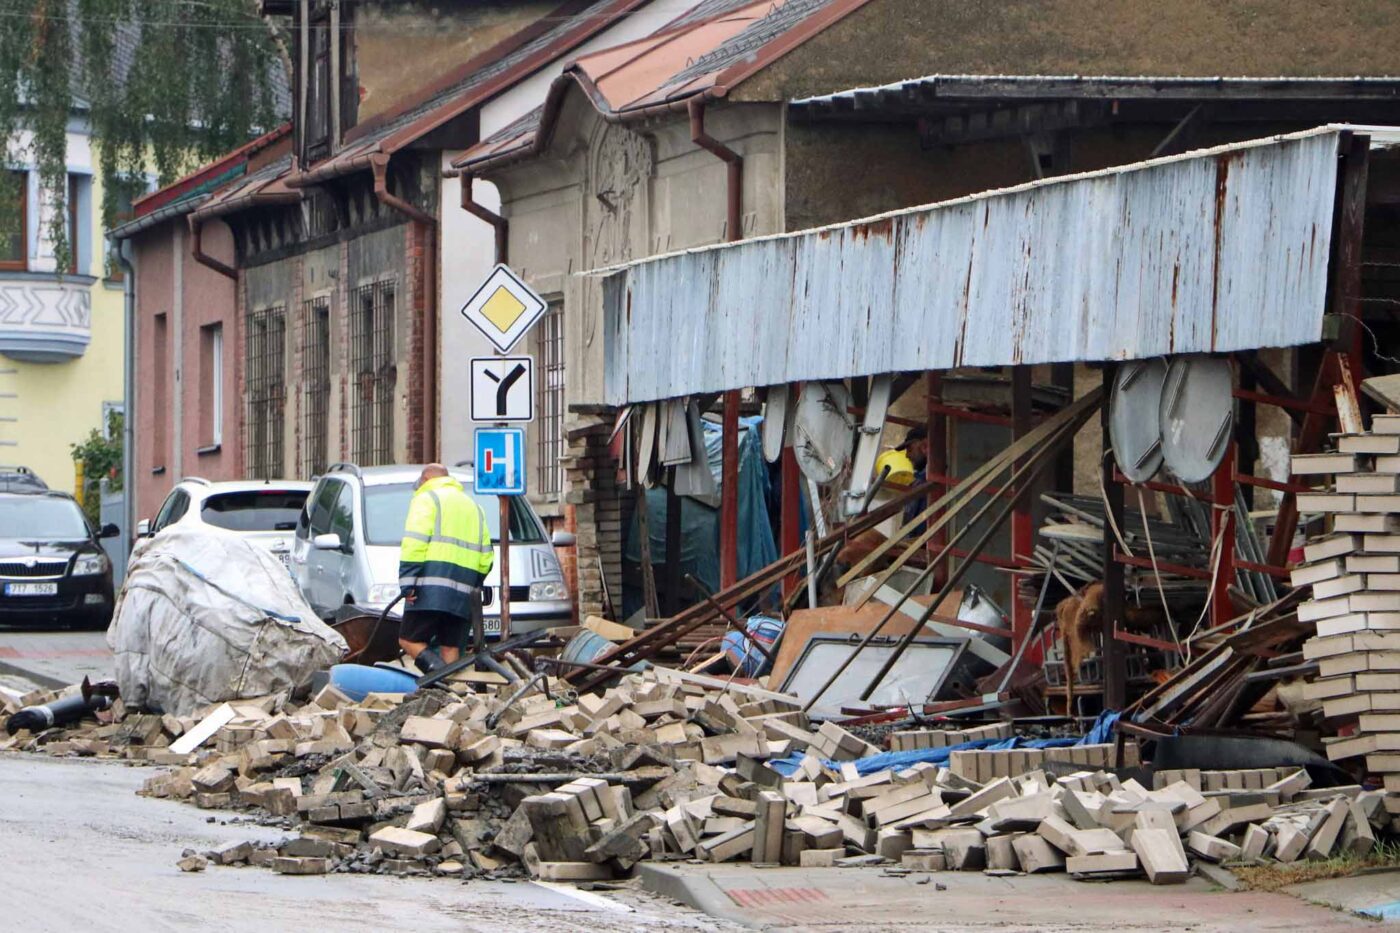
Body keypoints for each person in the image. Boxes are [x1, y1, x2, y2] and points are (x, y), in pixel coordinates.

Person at [397, 464, 494, 673]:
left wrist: (407, 584)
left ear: (425, 480)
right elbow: (487, 557)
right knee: (450, 648)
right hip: (463, 592)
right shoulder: (474, 507)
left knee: (409, 640)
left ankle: (440, 680)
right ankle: (455, 696)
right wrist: (473, 583)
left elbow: (414, 542)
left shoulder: (426, 499)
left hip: (429, 589)